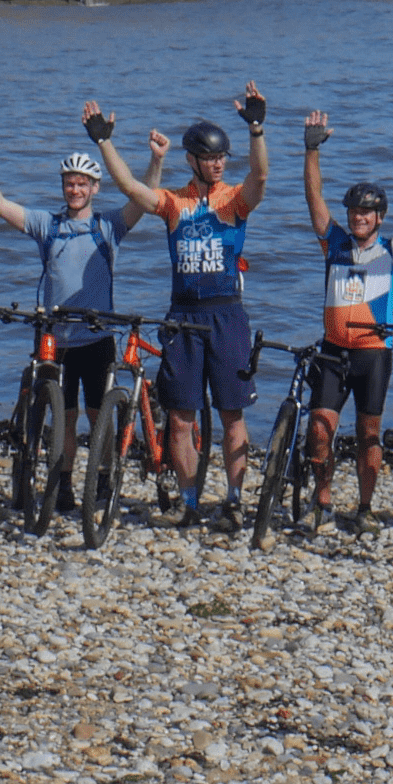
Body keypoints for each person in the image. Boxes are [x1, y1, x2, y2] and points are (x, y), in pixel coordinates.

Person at [88, 86, 274, 529]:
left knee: (232, 415)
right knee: (180, 419)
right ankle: (189, 503)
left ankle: (233, 501)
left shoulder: (234, 199)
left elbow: (261, 176)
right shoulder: (174, 202)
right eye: (210, 158)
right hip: (183, 316)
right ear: (191, 160)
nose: (218, 164)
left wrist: (256, 129)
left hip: (227, 314)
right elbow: (129, 187)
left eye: (222, 157)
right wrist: (104, 141)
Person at [0, 126, 165, 516]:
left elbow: (144, 198)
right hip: (58, 342)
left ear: (95, 188)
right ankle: (66, 483)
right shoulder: (47, 226)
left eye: (82, 184)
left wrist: (156, 159)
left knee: (99, 417)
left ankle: (103, 476)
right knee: (65, 418)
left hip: (98, 340)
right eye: (70, 184)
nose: (75, 190)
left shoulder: (109, 225)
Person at [299, 109, 393, 537]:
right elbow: (313, 198)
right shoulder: (335, 244)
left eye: (367, 212)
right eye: (354, 211)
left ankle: (364, 508)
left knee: (369, 434)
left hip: (373, 355)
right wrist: (311, 151)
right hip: (332, 350)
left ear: (379, 217)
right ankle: (323, 501)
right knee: (319, 429)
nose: (359, 217)